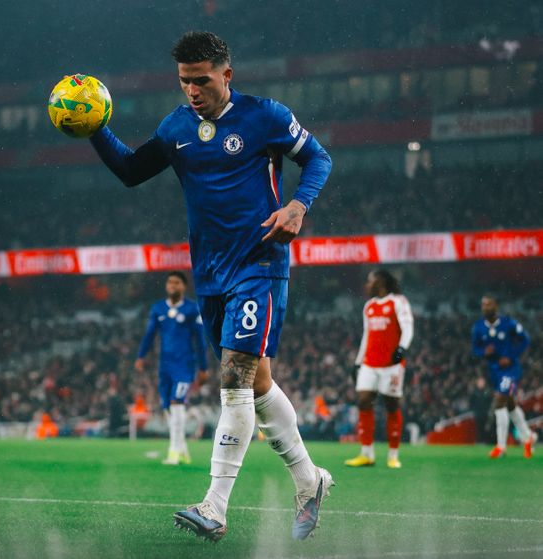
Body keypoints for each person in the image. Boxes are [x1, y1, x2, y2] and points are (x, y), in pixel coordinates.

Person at [89, 31, 333, 541]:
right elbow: (132, 171)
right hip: (209, 274)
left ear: (227, 75)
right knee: (258, 384)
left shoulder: (265, 116)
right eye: (184, 81)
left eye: (201, 80)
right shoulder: (176, 126)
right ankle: (310, 481)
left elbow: (318, 158)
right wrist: (96, 129)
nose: (192, 90)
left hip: (259, 264)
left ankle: (214, 507)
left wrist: (298, 204)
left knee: (234, 379)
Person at [135, 271, 208, 465]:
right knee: (168, 407)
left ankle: (173, 452)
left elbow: (200, 340)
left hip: (184, 366)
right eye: (170, 282)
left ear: (184, 286)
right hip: (164, 366)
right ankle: (183, 450)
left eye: (176, 282)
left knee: (177, 403)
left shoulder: (192, 309)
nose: (172, 286)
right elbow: (150, 334)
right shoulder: (158, 308)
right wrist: (141, 356)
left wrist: (203, 368)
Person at [345, 270, 414, 469]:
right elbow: (367, 335)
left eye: (370, 281)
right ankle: (367, 453)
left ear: (380, 282)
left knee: (391, 405)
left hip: (391, 365)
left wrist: (402, 348)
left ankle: (393, 455)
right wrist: (358, 362)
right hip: (369, 363)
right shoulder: (369, 306)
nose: (367, 285)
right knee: (363, 401)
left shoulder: (397, 301)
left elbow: (408, 327)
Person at [471, 294, 535, 458]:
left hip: (511, 370)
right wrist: (484, 352)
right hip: (494, 371)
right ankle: (528, 437)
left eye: (489, 304)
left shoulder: (508, 323)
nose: (486, 307)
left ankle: (501, 447)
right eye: (483, 305)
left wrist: (511, 356)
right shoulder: (478, 327)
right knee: (511, 405)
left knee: (500, 401)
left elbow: (525, 340)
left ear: (496, 306)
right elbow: (475, 349)